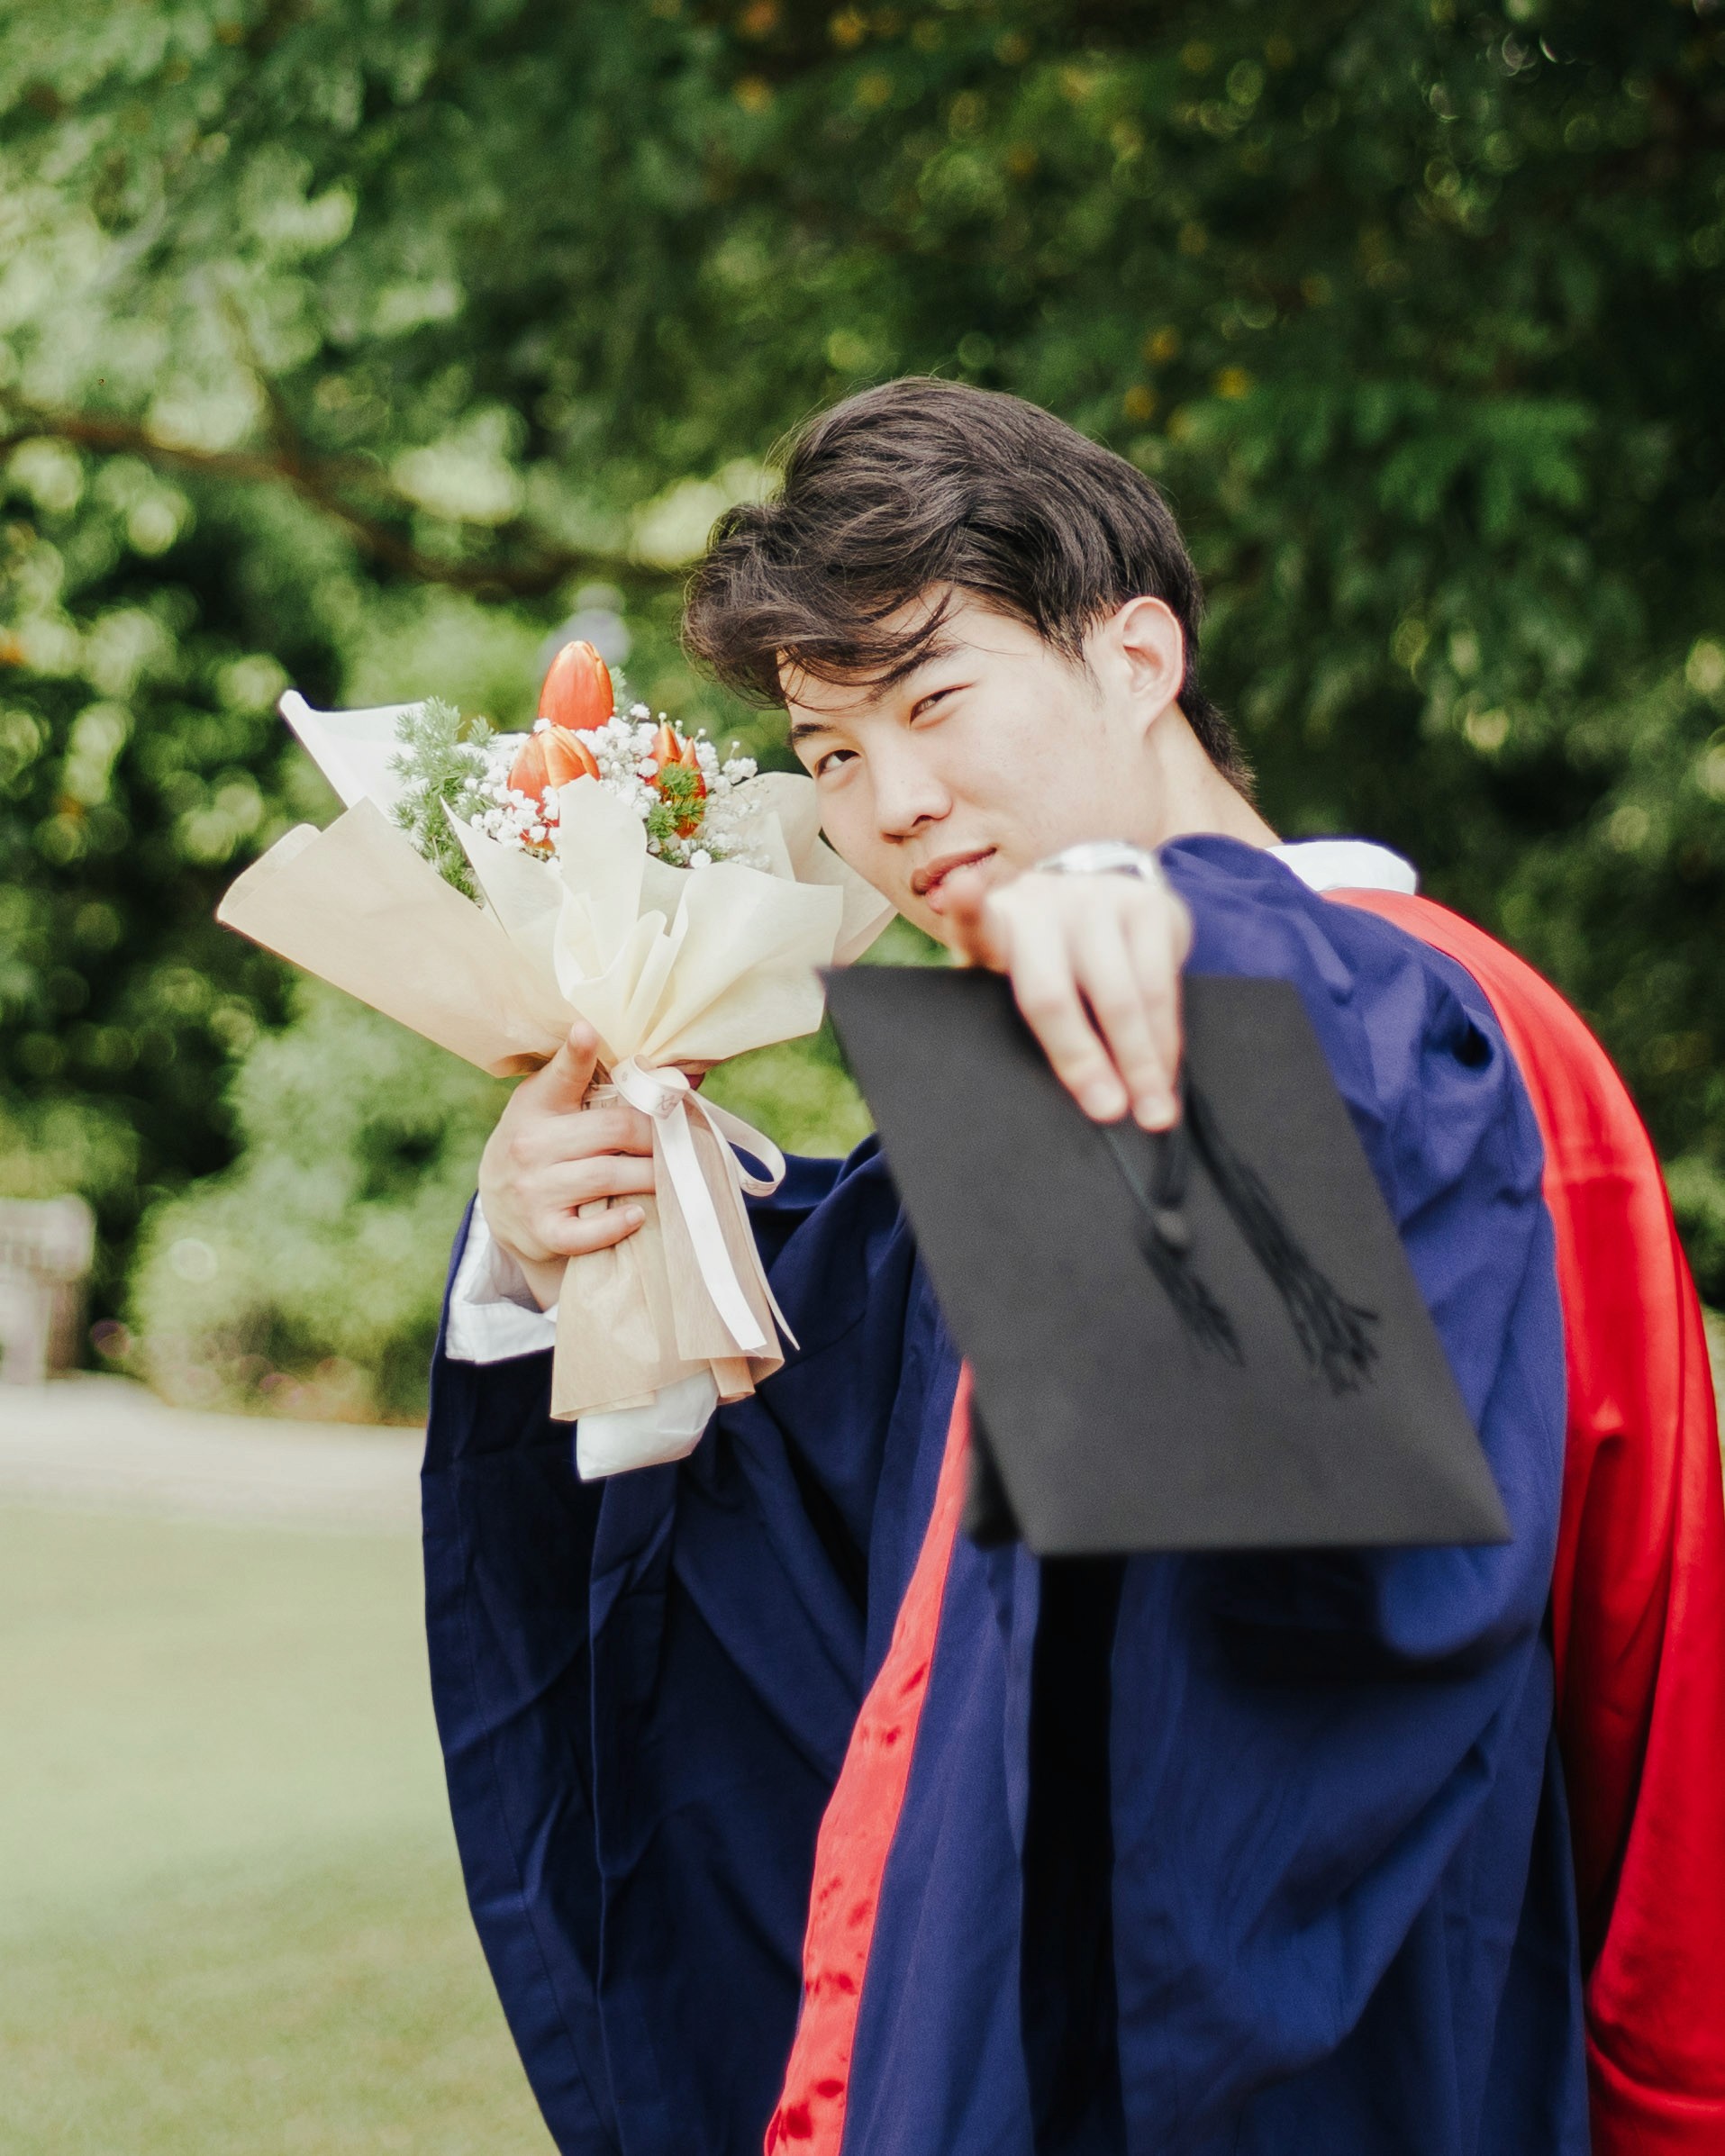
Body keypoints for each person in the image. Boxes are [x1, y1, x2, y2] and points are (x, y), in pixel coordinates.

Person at [424, 380, 1725, 2155]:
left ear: (1135, 657)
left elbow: (1318, 1584)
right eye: (830, 755)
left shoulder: (1425, 1025)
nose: (891, 799)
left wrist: (1182, 918)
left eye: (934, 697)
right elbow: (780, 1559)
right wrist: (566, 1238)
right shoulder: (1029, 1114)